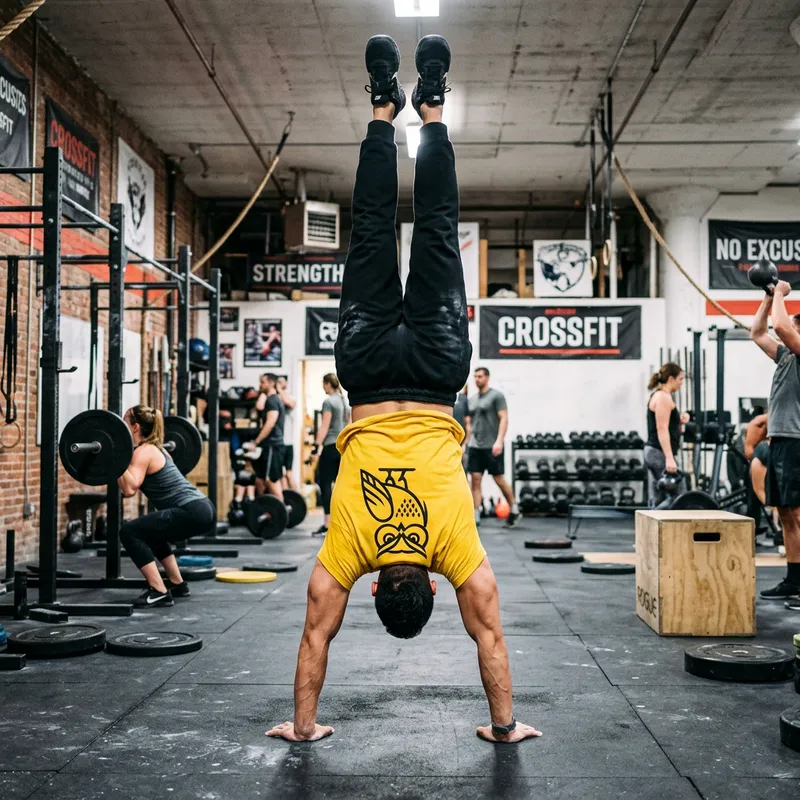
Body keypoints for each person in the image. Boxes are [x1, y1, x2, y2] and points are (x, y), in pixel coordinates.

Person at [267, 34, 540, 745]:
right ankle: (385, 108)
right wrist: (303, 728)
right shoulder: (347, 553)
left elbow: (490, 638)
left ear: (425, 588)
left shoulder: (456, 553)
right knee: (370, 234)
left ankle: (434, 109)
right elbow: (313, 640)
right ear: (379, 591)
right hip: (364, 368)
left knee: (439, 230)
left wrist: (504, 726)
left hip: (435, 370)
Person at [118, 404, 216, 607]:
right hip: (201, 507)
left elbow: (129, 489)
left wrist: (114, 459)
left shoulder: (144, 452)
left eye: (125, 421)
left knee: (129, 532)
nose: (121, 425)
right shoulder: (158, 450)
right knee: (153, 532)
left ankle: (159, 590)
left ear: (135, 427)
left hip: (191, 510)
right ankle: (176, 583)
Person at [749, 282, 800, 600]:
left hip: (796, 439)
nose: (793, 322)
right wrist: (769, 298)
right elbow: (758, 332)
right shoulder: (786, 357)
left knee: (796, 513)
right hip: (780, 438)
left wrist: (780, 292)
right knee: (785, 513)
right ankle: (794, 579)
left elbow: (779, 325)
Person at [464, 368, 519, 527]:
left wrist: (499, 441)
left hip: (492, 445)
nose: (477, 379)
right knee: (475, 480)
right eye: (475, 376)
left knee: (499, 479)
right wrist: (466, 442)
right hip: (475, 446)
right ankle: (476, 515)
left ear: (487, 378)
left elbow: (504, 418)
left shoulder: (496, 396)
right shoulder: (472, 400)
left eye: (480, 376)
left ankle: (514, 508)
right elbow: (469, 424)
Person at [644, 363, 689, 508]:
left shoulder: (661, 396)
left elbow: (666, 423)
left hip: (656, 452)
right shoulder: (663, 397)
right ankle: (649, 521)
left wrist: (679, 419)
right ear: (671, 379)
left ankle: (651, 525)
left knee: (662, 497)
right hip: (659, 453)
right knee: (679, 497)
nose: (682, 383)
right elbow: (662, 428)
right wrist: (669, 458)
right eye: (680, 379)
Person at [310, 373, 350, 537]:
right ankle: (341, 524)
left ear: (327, 384)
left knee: (325, 484)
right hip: (341, 447)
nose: (322, 387)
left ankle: (327, 524)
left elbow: (324, 427)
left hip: (329, 446)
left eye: (323, 384)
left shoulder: (328, 402)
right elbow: (348, 424)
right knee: (340, 485)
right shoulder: (343, 401)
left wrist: (316, 447)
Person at [247, 373, 285, 501]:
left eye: (263, 382)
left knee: (271, 480)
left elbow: (270, 423)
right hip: (269, 445)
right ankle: (263, 508)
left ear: (271, 383)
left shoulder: (272, 400)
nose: (260, 385)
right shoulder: (270, 399)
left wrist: (256, 442)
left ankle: (282, 514)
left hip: (273, 445)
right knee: (260, 479)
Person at [276, 376, 299, 491]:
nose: (278, 384)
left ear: (286, 383)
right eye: (277, 382)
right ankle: (286, 500)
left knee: (289, 474)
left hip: (288, 442)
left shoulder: (291, 397)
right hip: (279, 442)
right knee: (280, 475)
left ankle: (298, 499)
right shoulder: (275, 398)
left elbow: (290, 404)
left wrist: (280, 389)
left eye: (281, 382)